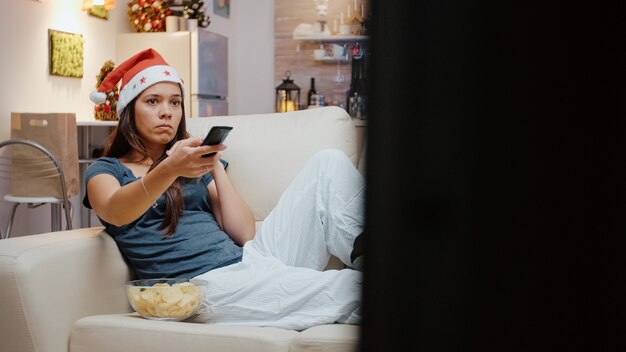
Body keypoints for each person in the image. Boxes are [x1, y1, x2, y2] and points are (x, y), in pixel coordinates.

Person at [83, 48, 365, 330]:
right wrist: (169, 168)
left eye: (175, 102)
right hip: (202, 288)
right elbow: (116, 211)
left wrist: (213, 165)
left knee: (328, 162)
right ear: (130, 110)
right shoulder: (106, 170)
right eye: (153, 101)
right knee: (354, 288)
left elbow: (245, 234)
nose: (167, 112)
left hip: (250, 261)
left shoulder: (191, 166)